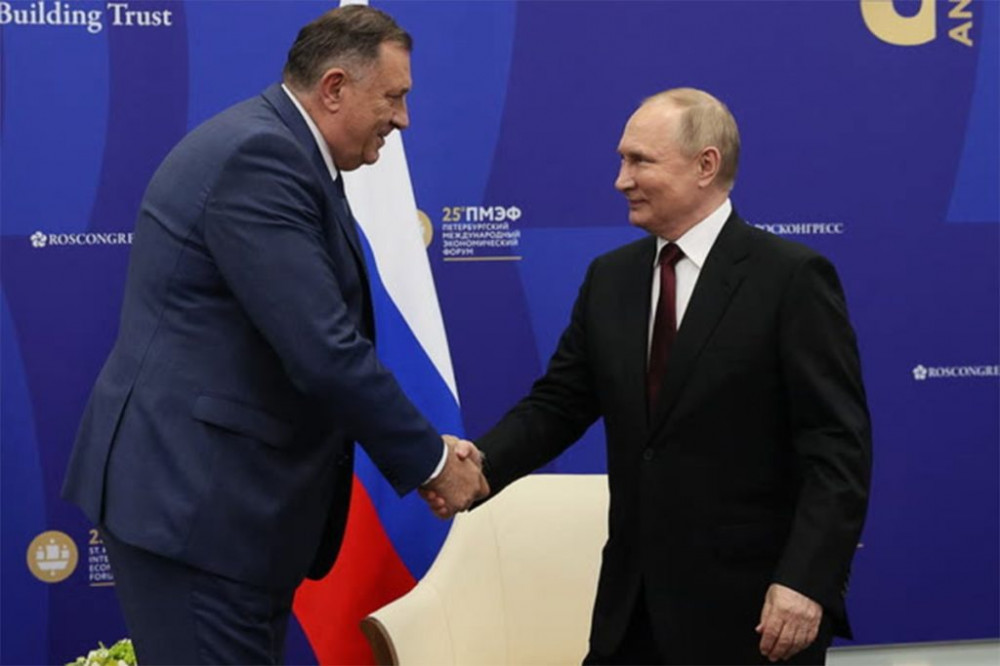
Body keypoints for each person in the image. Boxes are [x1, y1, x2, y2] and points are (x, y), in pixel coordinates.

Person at [62, 6, 486, 665]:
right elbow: (322, 349)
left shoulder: (288, 153)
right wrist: (431, 461)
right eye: (393, 97)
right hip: (197, 510)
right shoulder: (260, 158)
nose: (403, 119)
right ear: (335, 87)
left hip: (227, 513)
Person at [427, 88, 871, 665]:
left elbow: (837, 448)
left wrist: (806, 581)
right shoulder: (611, 278)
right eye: (622, 160)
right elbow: (559, 404)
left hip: (753, 613)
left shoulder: (790, 279)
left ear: (705, 165)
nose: (621, 180)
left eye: (640, 161)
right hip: (631, 610)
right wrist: (480, 468)